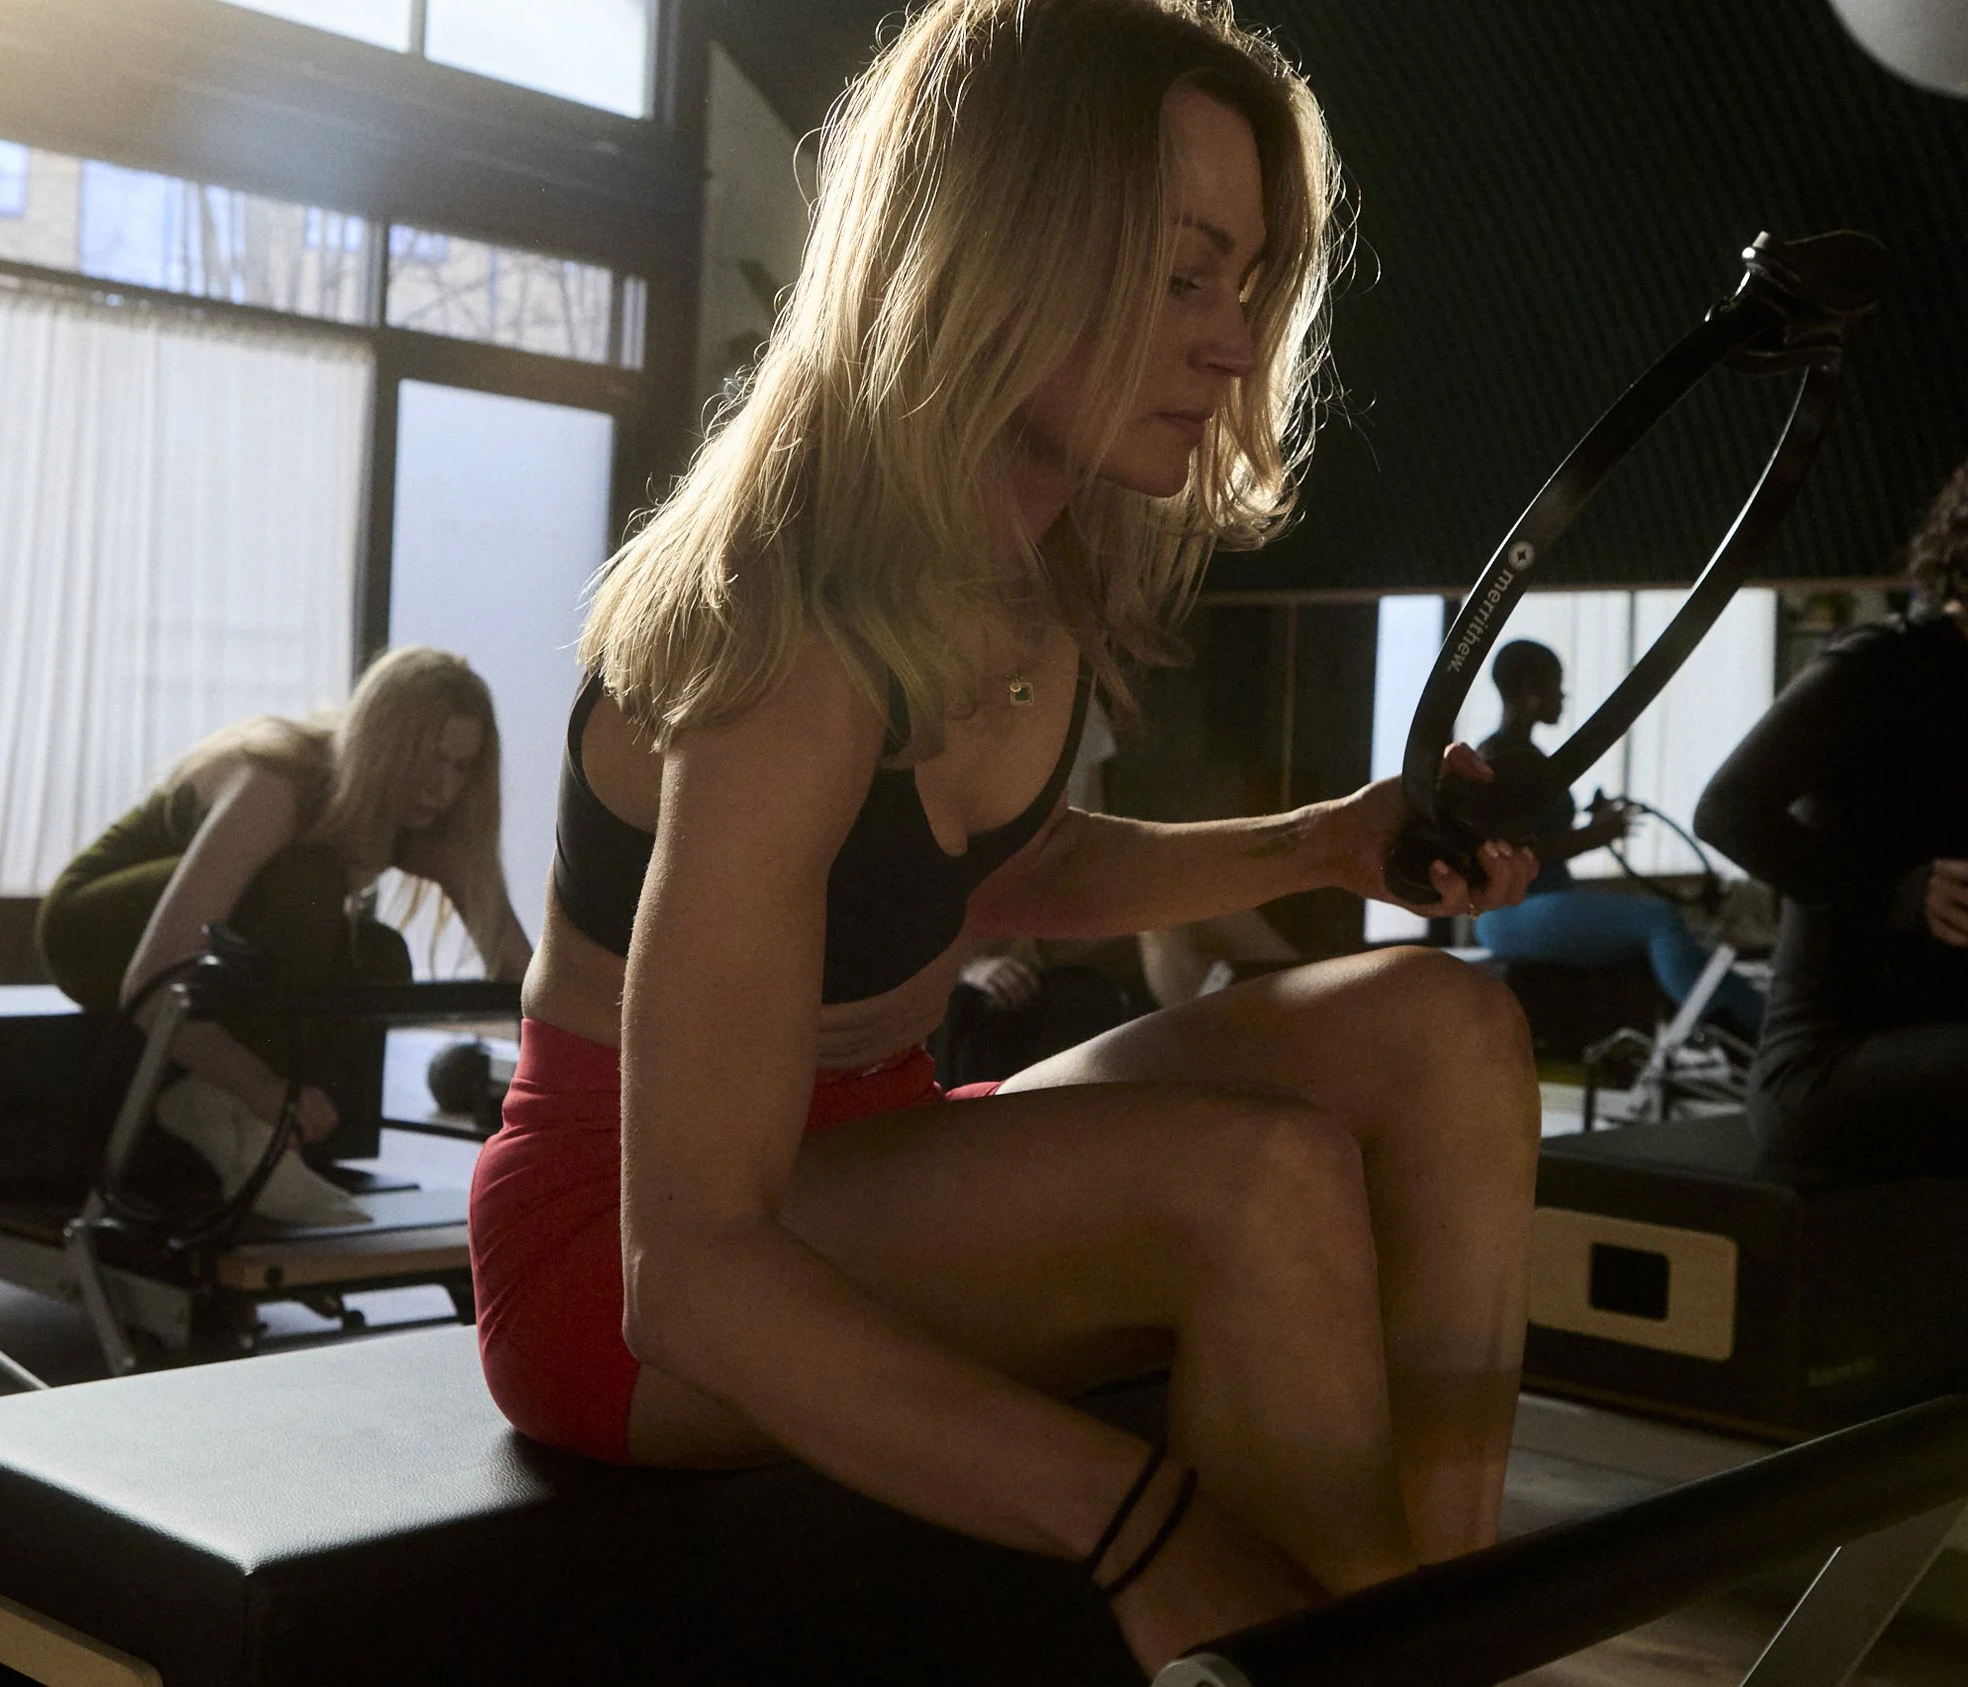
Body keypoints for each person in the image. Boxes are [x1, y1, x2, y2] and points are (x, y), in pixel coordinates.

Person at [468, 1, 1543, 1670]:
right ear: (999, 246)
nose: (1235, 345)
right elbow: (686, 1268)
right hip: (626, 1273)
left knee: (1446, 1025)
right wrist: (1137, 1523)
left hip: (881, 1159)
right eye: (1182, 273)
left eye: (1248, 285)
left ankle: (1437, 1625)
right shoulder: (793, 638)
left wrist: (1335, 843)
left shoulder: (1025, 559)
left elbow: (988, 871)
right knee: (1252, 1182)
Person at [40, 646, 530, 1225]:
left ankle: (230, 1121)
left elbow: (518, 972)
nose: (440, 787)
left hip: (216, 952)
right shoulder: (279, 779)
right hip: (93, 929)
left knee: (379, 956)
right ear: (380, 747)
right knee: (308, 877)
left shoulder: (426, 819)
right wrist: (267, 1091)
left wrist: (592, 1093)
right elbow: (155, 975)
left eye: (460, 766)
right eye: (425, 759)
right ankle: (238, 1125)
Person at [1696, 425, 1968, 1179]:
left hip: (1941, 1035)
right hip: (1822, 1068)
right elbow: (1727, 808)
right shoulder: (1882, 666)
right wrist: (1894, 891)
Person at [1471, 639, 1766, 1037]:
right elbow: (1505, 851)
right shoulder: (1494, 758)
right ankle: (1746, 1026)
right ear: (1531, 689)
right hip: (1513, 910)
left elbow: (1540, 834)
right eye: (1557, 686)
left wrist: (1595, 827)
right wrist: (1596, 835)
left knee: (1659, 926)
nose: (1564, 696)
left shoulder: (1530, 756)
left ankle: (1753, 1017)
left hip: (1542, 901)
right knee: (1661, 922)